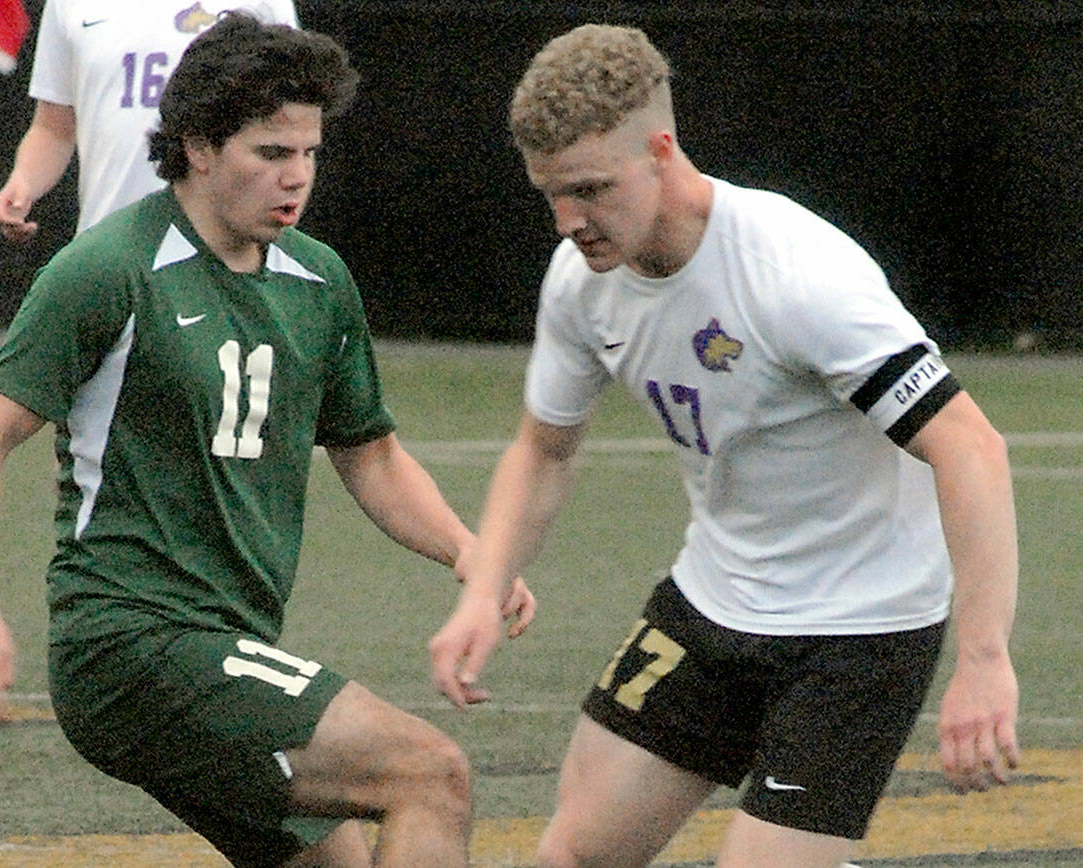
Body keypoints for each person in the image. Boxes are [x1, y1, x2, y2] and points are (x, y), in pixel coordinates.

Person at [0, 14, 534, 867]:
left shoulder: (318, 280)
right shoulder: (111, 268)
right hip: (132, 647)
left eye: (310, 153)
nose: (297, 176)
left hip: (232, 646)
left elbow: (370, 455)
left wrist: (469, 551)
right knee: (427, 773)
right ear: (198, 147)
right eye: (271, 153)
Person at [429, 23, 1020, 868]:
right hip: (712, 601)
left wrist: (985, 660)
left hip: (859, 632)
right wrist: (483, 592)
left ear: (661, 152)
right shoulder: (582, 283)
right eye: (550, 195)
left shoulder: (797, 275)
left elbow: (969, 446)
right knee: (572, 856)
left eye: (590, 190)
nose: (568, 222)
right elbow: (544, 450)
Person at [0, 0, 298, 241]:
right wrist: (24, 182)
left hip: (222, 252)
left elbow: (293, 126)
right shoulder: (68, 4)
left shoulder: (265, 4)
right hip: (110, 244)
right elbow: (53, 128)